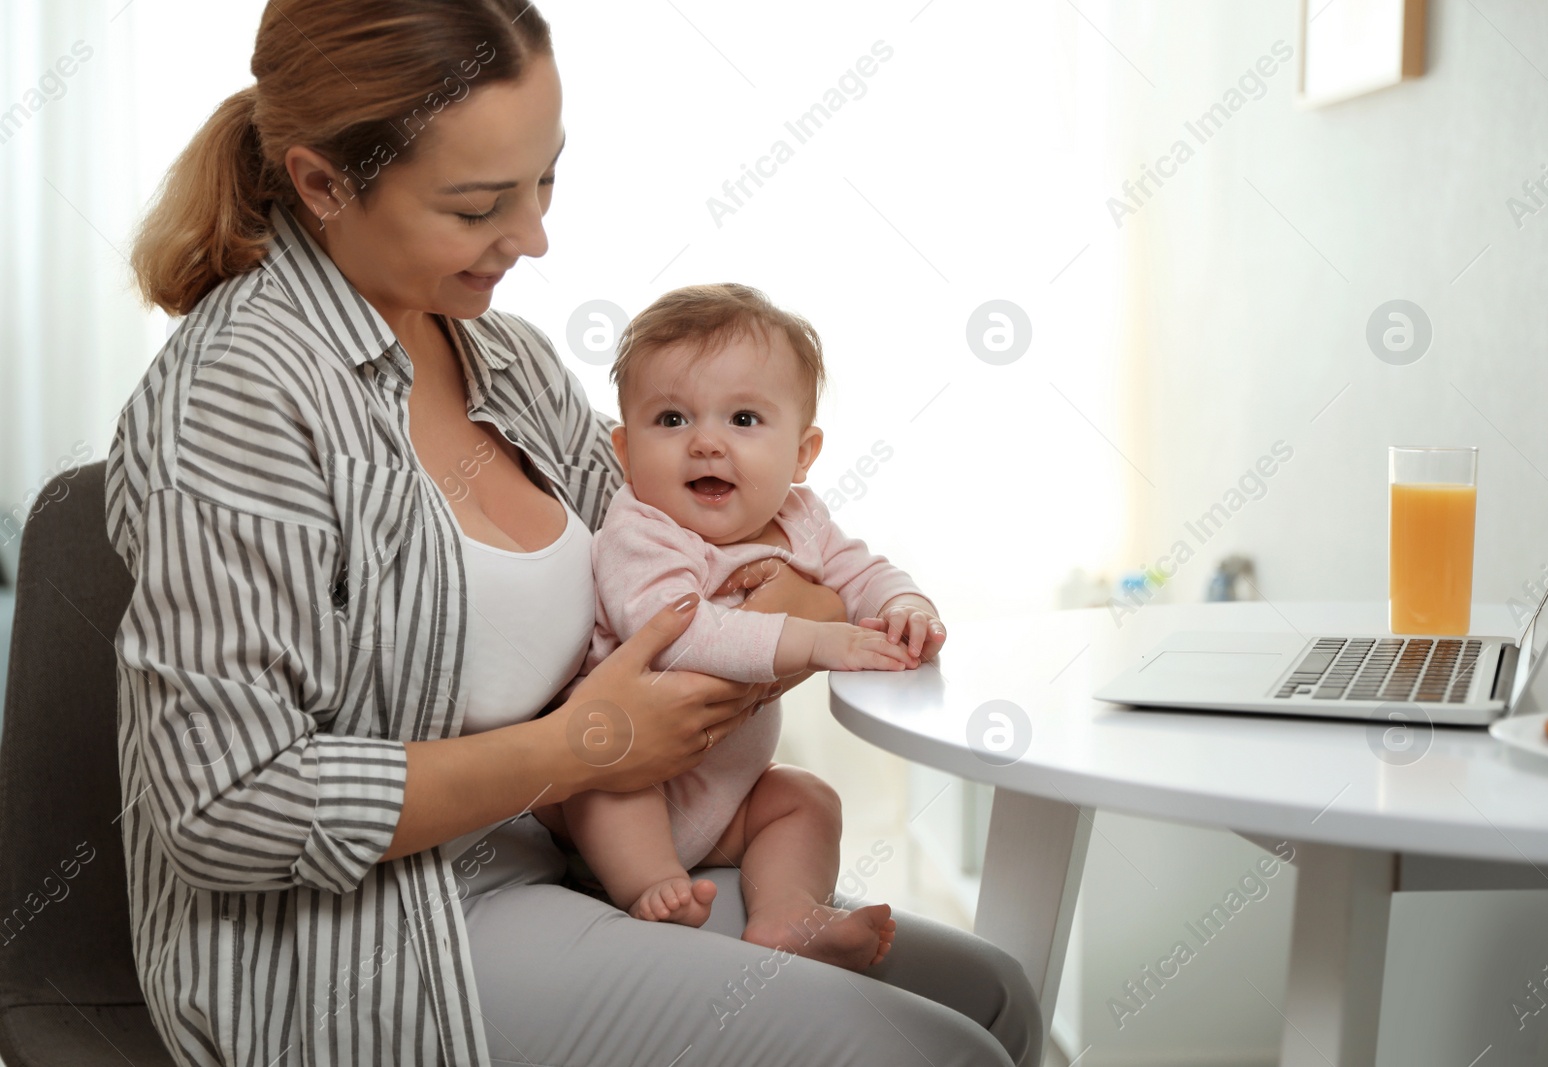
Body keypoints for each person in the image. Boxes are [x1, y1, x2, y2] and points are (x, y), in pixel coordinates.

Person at [110, 1, 1043, 1064]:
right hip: (376, 930)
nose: (533, 237)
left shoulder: (503, 360)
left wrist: (822, 603)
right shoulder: (238, 403)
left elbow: (717, 552)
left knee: (994, 993)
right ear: (323, 183)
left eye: (543, 180)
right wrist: (579, 745)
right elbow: (226, 805)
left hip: (572, 850)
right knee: (932, 1051)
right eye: (477, 207)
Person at [541, 284, 944, 971]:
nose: (705, 442)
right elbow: (678, 635)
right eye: (670, 419)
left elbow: (859, 571)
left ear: (802, 453)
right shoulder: (642, 528)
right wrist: (814, 638)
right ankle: (649, 886)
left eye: (745, 419)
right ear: (624, 447)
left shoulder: (801, 518)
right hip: (635, 777)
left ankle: (787, 912)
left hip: (727, 798)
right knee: (606, 783)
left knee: (804, 797)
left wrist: (906, 603)